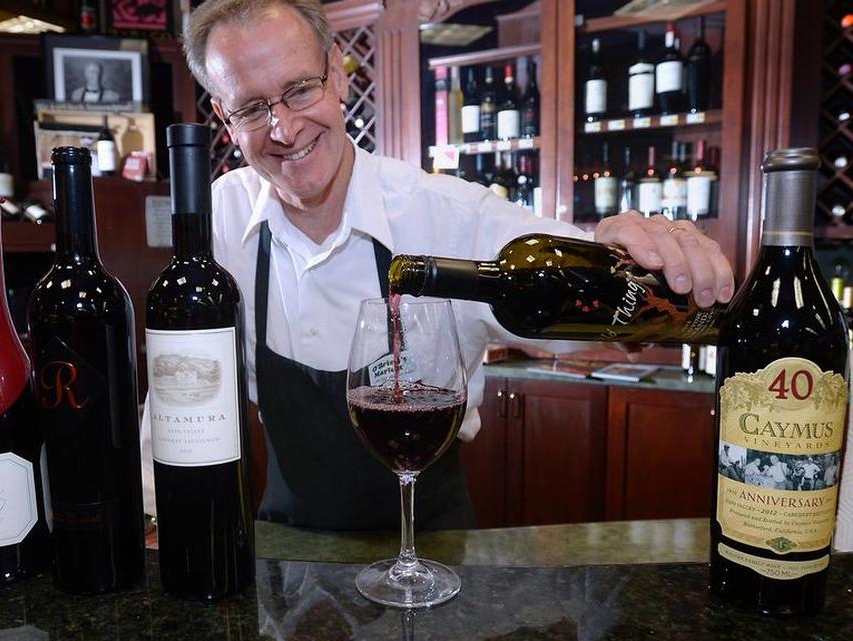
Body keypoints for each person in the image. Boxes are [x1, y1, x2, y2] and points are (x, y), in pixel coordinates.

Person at [141, 0, 736, 531]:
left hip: (435, 560)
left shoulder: (450, 215)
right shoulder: (215, 224)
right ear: (223, 117)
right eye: (251, 108)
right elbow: (176, 393)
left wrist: (621, 247)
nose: (285, 128)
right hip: (285, 559)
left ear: (336, 74)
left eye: (300, 89)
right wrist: (149, 511)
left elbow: (581, 283)